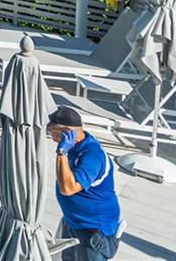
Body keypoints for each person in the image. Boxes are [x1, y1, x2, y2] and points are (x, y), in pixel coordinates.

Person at [46, 106, 123, 261]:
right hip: (73, 221)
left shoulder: (92, 156)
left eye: (51, 128)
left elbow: (68, 188)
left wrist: (61, 154)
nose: (48, 131)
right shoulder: (74, 145)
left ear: (66, 131)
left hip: (93, 230)